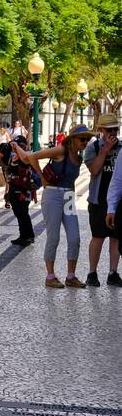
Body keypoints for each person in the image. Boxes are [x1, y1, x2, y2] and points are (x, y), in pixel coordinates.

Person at [15, 125, 92, 287]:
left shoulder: (79, 158)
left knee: (75, 237)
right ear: (73, 139)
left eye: (87, 139)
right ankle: (50, 276)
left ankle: (71, 276)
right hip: (53, 195)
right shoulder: (60, 151)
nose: (85, 142)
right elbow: (33, 157)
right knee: (53, 236)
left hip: (69, 197)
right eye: (82, 139)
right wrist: (42, 177)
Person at [82, 115, 121, 287]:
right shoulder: (93, 148)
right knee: (98, 236)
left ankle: (113, 272)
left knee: (116, 237)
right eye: (109, 130)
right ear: (100, 130)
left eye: (115, 129)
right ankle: (92, 272)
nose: (113, 133)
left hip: (118, 201)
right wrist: (105, 150)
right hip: (99, 199)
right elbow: (94, 170)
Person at [0, 136, 37, 248]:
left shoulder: (27, 157)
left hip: (23, 191)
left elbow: (26, 163)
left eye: (18, 145)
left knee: (23, 213)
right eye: (14, 145)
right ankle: (23, 235)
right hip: (13, 189)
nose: (15, 147)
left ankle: (29, 236)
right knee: (18, 214)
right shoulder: (13, 157)